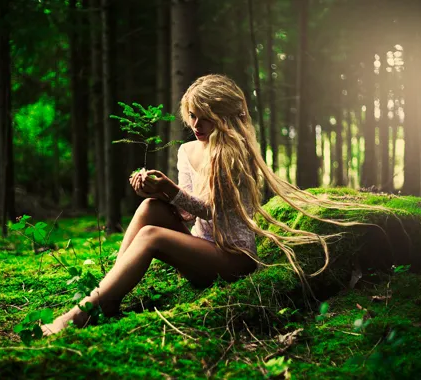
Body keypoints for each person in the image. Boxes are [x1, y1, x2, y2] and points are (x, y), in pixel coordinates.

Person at [43, 74, 364, 335]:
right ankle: (106, 298)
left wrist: (168, 189)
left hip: (233, 258)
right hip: (200, 249)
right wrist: (155, 192)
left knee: (151, 236)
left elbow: (213, 209)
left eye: (206, 117)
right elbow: (185, 210)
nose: (197, 125)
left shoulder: (234, 154)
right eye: (193, 116)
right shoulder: (187, 151)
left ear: (224, 117)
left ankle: (83, 312)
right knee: (149, 211)